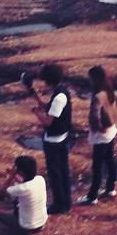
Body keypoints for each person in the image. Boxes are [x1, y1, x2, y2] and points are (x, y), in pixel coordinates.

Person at [28, 63, 72, 214]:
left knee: (55, 174)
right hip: (63, 137)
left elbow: (47, 122)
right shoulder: (63, 91)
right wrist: (34, 93)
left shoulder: (59, 97)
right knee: (63, 170)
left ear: (48, 80)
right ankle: (66, 202)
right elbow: (49, 107)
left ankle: (59, 204)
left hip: (54, 141)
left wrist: (36, 113)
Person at [78, 65, 117, 205]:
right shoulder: (111, 91)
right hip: (111, 130)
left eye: (90, 78)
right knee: (110, 160)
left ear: (95, 79)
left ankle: (92, 196)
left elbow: (94, 117)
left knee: (97, 166)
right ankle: (110, 188)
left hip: (101, 135)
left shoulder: (97, 97)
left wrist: (98, 127)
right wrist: (111, 114)